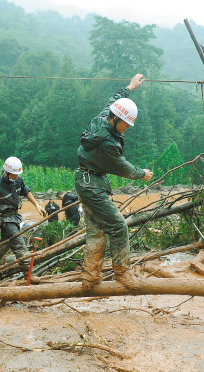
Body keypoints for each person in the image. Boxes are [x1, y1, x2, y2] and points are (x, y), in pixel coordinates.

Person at [75, 73, 153, 291]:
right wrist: (142, 174)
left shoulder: (103, 118)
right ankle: (122, 272)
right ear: (116, 120)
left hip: (86, 181)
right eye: (126, 124)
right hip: (92, 186)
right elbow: (122, 167)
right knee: (119, 226)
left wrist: (130, 87)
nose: (127, 128)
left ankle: (90, 278)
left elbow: (114, 100)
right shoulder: (107, 144)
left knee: (96, 232)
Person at [0, 156, 46, 279]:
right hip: (6, 219)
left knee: (4, 245)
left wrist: (37, 205)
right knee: (20, 246)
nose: (17, 176)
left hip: (15, 217)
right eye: (14, 174)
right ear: (7, 172)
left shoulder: (18, 180)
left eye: (18, 174)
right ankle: (28, 274)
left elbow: (26, 191)